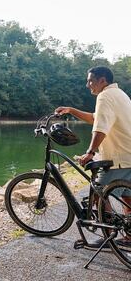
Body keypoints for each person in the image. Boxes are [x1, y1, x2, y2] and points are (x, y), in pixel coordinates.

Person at [55, 66, 131, 248]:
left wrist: (90, 152)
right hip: (128, 155)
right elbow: (95, 118)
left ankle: (108, 236)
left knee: (97, 191)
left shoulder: (104, 96)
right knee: (128, 196)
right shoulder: (120, 94)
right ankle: (129, 236)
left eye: (90, 81)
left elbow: (100, 128)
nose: (88, 85)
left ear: (102, 80)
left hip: (118, 157)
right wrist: (71, 110)